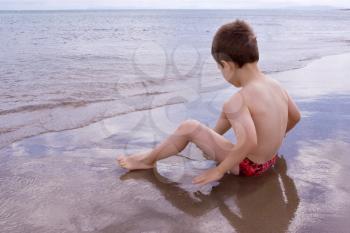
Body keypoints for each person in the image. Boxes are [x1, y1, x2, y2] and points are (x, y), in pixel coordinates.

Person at [116, 20, 301, 186]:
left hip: (249, 167)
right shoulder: (275, 85)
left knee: (189, 127)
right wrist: (276, 137)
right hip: (269, 161)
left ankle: (147, 161)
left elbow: (250, 142)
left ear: (226, 65)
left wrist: (219, 170)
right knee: (229, 111)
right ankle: (204, 144)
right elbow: (295, 117)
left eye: (219, 68)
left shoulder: (240, 99)